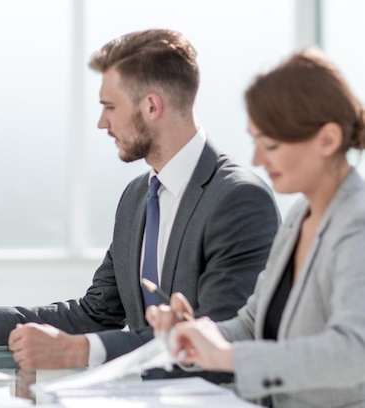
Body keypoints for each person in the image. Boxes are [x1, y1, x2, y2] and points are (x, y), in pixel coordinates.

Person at [0, 29, 280, 377]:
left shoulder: (239, 199)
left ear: (151, 106)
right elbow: (97, 312)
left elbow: (218, 339)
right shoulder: (137, 197)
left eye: (109, 106)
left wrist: (77, 352)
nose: (102, 122)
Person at [147, 48, 365, 407]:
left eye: (272, 145)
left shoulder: (356, 222)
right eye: (255, 141)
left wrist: (227, 358)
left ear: (328, 139)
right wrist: (199, 335)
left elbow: (352, 352)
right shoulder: (299, 216)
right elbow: (252, 325)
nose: (257, 160)